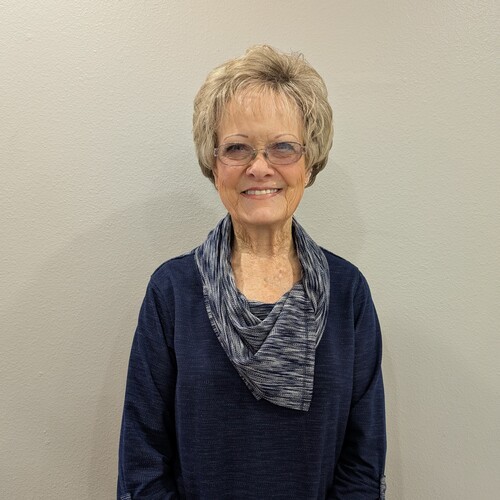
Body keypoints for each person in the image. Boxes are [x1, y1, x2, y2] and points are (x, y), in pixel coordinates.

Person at [118, 45, 386, 499]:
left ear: (309, 162)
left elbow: (362, 462)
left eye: (283, 147)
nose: (259, 167)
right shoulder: (174, 291)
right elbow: (143, 461)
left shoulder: (348, 292)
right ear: (214, 164)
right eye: (237, 148)